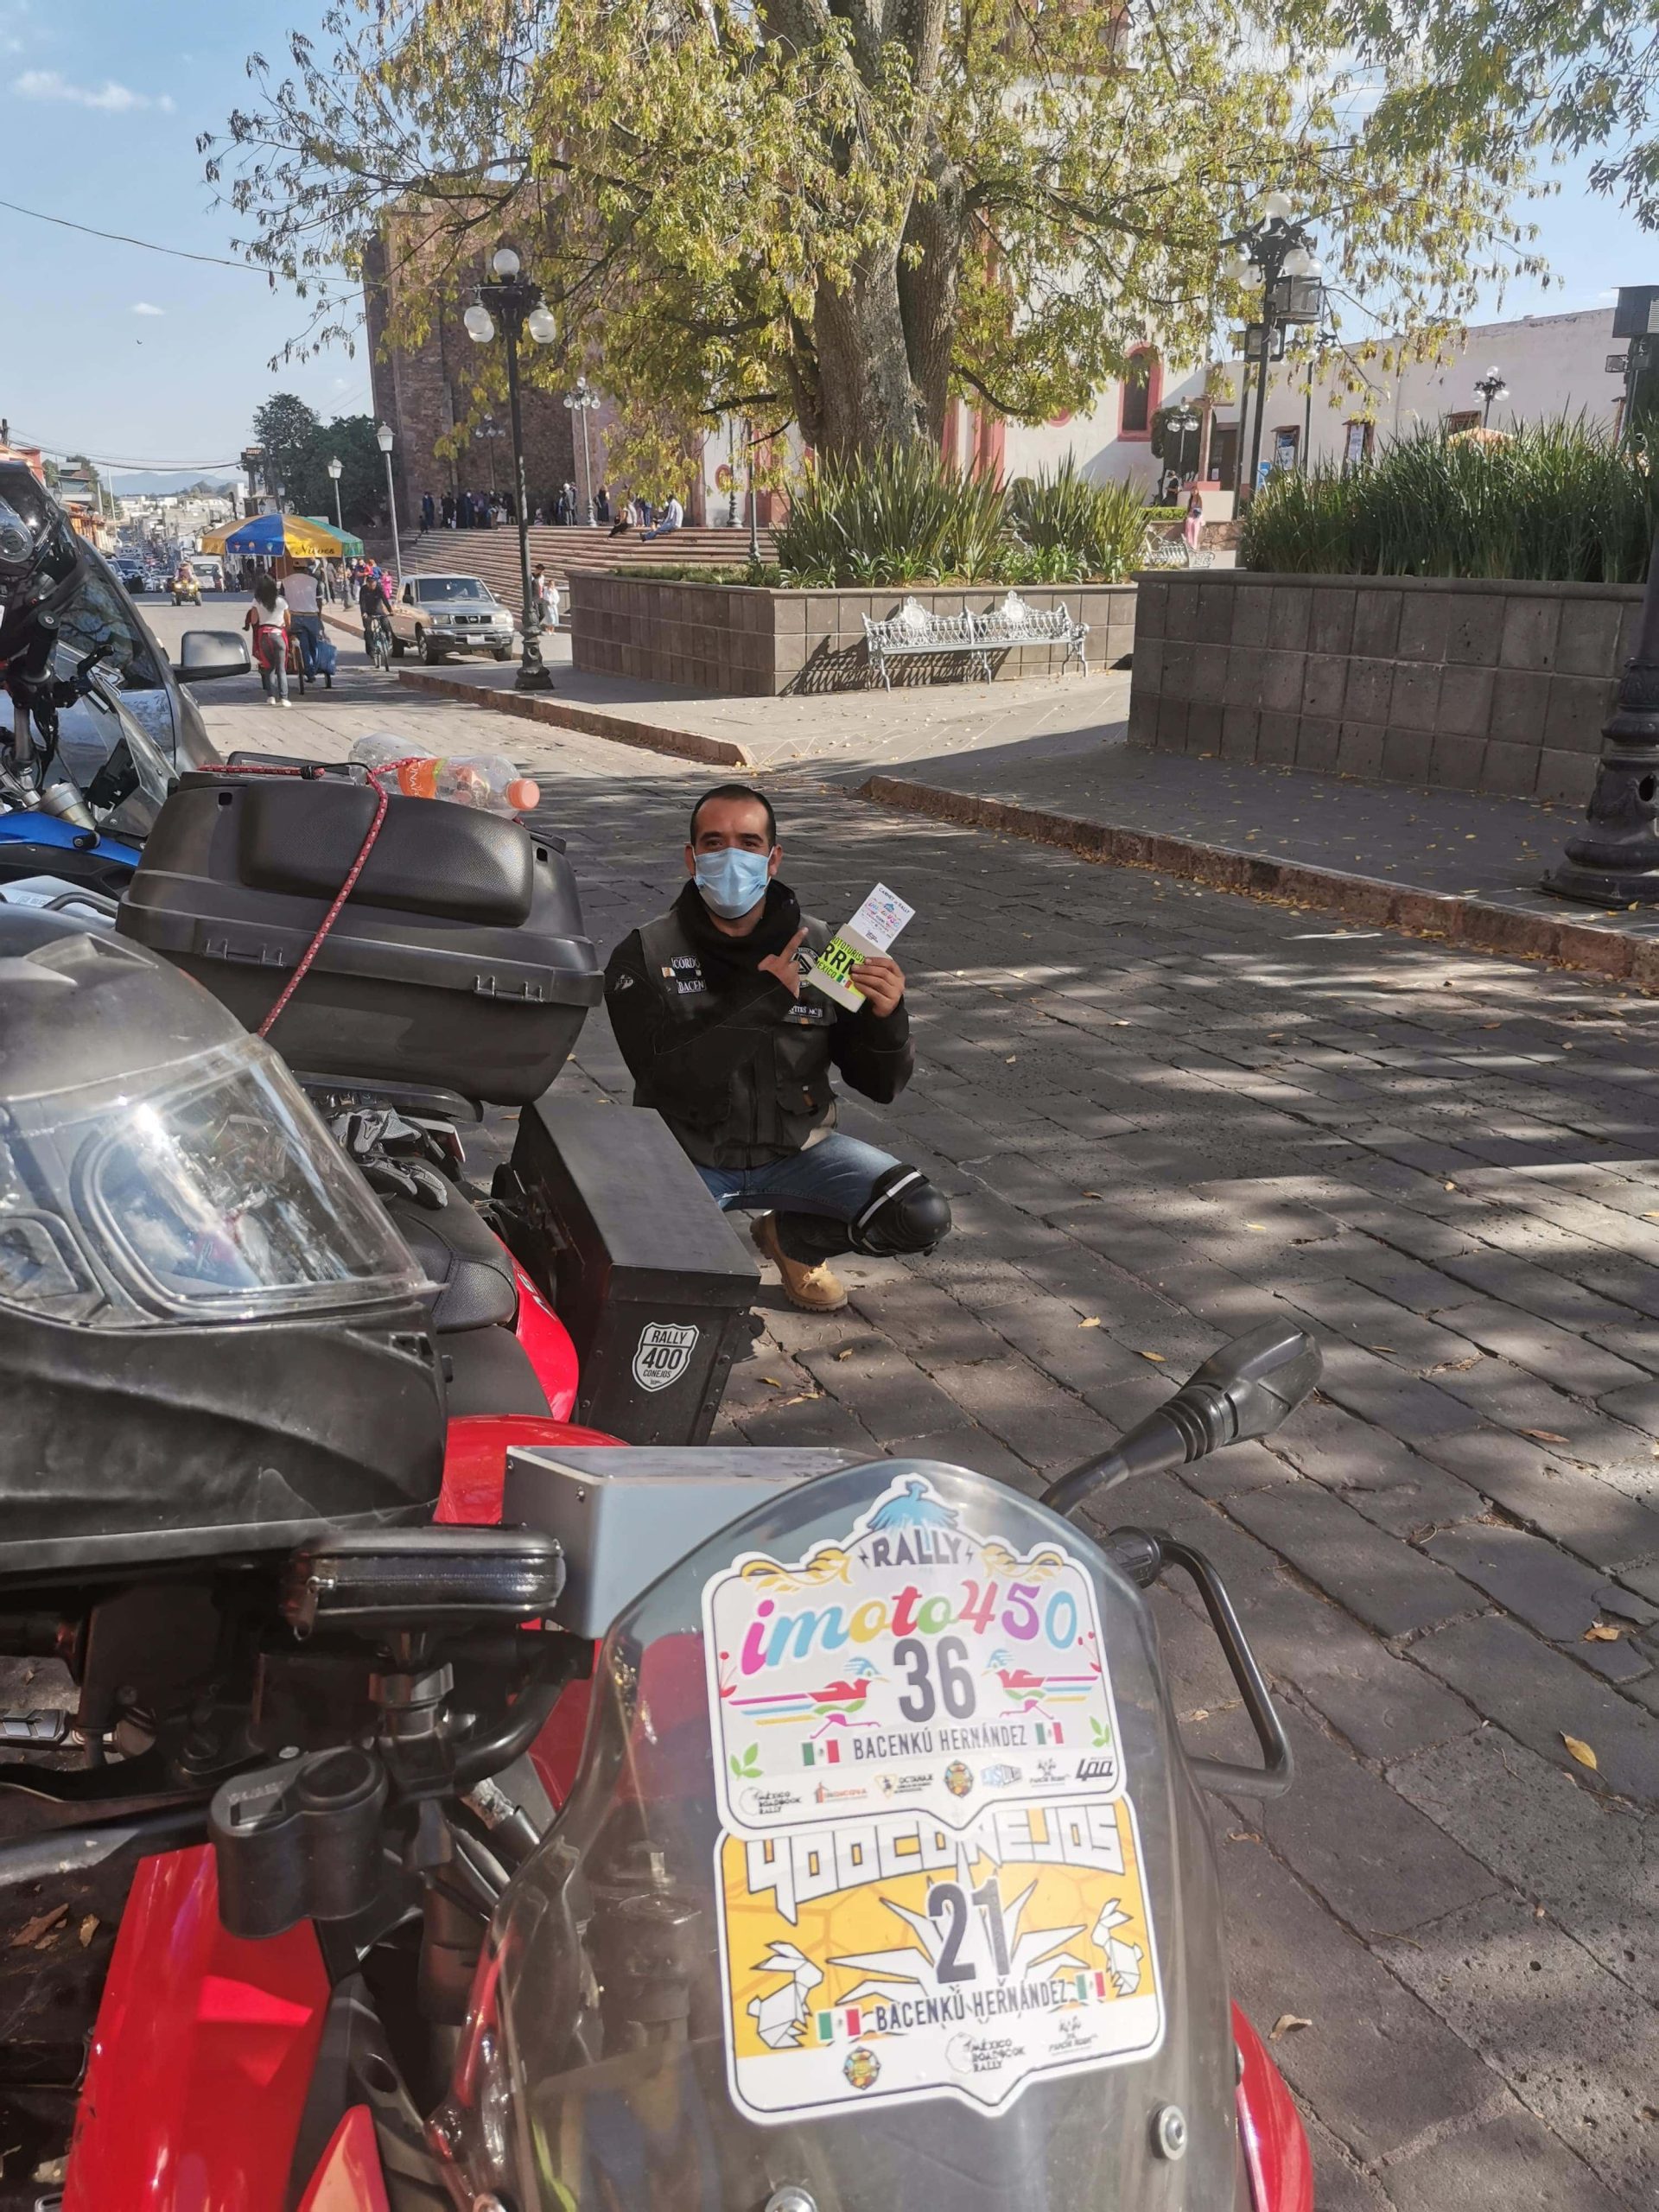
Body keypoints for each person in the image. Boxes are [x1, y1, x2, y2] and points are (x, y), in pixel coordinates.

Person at [603, 784, 950, 1313]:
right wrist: (761, 999)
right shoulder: (644, 954)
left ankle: (792, 1241)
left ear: (772, 859)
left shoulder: (823, 947)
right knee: (640, 1271)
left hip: (800, 1151)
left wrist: (887, 1017)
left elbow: (880, 1085)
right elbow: (668, 1081)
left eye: (748, 842)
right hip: (688, 1155)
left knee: (919, 1215)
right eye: (715, 843)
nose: (731, 858)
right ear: (691, 858)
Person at [245, 574, 291, 707]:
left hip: (264, 635)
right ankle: (284, 698)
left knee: (268, 667)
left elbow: (254, 620)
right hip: (278, 634)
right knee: (281, 668)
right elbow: (288, 621)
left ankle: (271, 697)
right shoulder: (282, 601)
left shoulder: (256, 601)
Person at [283, 560, 323, 674]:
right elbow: (319, 600)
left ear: (293, 568)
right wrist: (318, 617)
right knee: (315, 643)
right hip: (312, 616)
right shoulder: (314, 581)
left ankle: (308, 668)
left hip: (295, 616)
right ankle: (314, 666)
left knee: (304, 643)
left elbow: (282, 600)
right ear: (306, 569)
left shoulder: (286, 581)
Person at [358, 563, 393, 656]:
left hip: (378, 610)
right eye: (369, 583)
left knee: (385, 623)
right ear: (367, 583)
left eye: (373, 582)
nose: (371, 584)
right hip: (367, 611)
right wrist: (364, 612)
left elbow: (384, 599)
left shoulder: (379, 588)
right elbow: (362, 602)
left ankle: (389, 639)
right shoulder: (364, 589)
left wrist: (390, 610)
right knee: (368, 630)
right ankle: (371, 649)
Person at [1183, 489, 1205, 558]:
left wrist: (1195, 513)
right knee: (1189, 522)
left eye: (1195, 491)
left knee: (1195, 525)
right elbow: (1189, 509)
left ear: (1197, 491)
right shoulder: (1190, 500)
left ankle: (1194, 545)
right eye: (1192, 491)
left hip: (1197, 515)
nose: (1193, 492)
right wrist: (1189, 513)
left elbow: (1199, 509)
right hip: (1191, 515)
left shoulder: (1199, 499)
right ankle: (1189, 542)